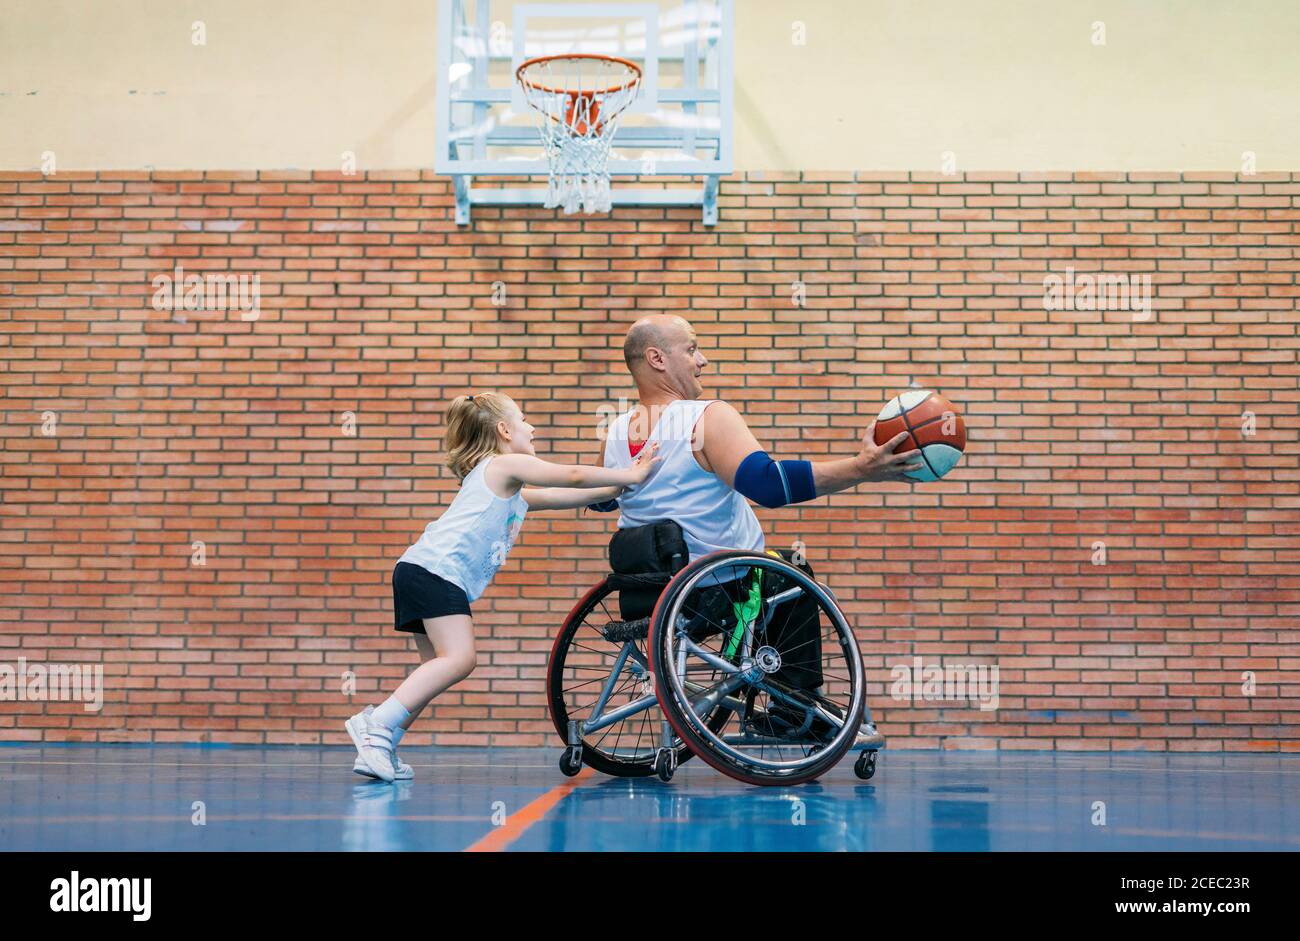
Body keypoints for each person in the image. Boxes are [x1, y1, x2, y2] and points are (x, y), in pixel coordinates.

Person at [592, 315, 923, 745]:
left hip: (647, 595)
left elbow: (605, 498)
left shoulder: (617, 431)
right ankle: (794, 709)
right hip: (717, 589)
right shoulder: (706, 417)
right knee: (792, 571)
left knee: (772, 569)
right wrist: (862, 469)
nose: (703, 360)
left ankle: (771, 690)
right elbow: (768, 485)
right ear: (657, 358)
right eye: (691, 349)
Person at [347, 391, 659, 782]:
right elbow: (572, 474)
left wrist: (617, 490)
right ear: (504, 430)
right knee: (460, 659)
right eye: (525, 419)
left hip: (419, 569)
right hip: (434, 572)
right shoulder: (504, 464)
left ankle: (384, 742)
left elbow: (565, 494)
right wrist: (631, 474)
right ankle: (375, 725)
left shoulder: (508, 486)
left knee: (434, 668)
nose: (533, 427)